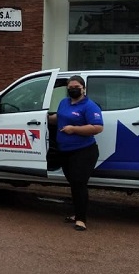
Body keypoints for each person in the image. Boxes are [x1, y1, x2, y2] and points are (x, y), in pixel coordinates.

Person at [48, 75, 104, 231]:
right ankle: (77, 212)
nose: (73, 90)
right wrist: (42, 118)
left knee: (79, 183)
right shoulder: (63, 102)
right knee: (74, 183)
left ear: (83, 88)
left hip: (84, 151)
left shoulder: (89, 106)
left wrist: (74, 129)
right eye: (70, 87)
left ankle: (81, 219)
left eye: (76, 87)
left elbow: (98, 127)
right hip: (65, 151)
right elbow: (58, 118)